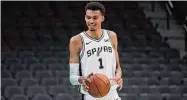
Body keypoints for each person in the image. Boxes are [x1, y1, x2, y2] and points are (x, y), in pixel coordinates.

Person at [69, 2, 123, 100]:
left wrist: (118, 76)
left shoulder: (112, 36)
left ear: (102, 18)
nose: (91, 21)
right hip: (91, 96)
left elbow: (118, 68)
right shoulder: (76, 41)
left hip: (113, 95)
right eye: (88, 17)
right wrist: (81, 79)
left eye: (95, 18)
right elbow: (72, 78)